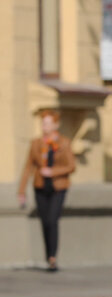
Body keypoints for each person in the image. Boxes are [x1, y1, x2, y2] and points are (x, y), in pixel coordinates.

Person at [18, 110, 76, 271]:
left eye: (48, 123)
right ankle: (48, 255)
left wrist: (53, 172)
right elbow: (28, 167)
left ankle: (53, 258)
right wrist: (21, 191)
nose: (44, 126)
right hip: (40, 187)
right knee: (45, 222)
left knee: (52, 220)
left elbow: (71, 166)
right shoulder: (36, 143)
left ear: (56, 125)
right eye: (43, 123)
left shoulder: (64, 143)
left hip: (58, 188)